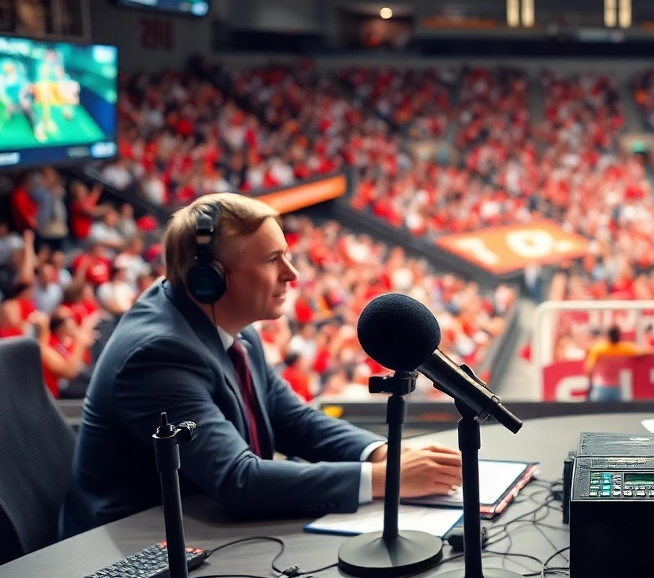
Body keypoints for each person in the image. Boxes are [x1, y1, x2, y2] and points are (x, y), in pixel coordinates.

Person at [61, 193, 463, 537]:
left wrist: (382, 453)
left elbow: (294, 421)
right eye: (274, 260)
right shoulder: (156, 356)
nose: (292, 274)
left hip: (201, 526)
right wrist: (385, 480)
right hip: (132, 554)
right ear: (211, 279)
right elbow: (238, 479)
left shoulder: (232, 325)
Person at [584, 324, 638, 402]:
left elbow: (589, 368)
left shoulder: (599, 349)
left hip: (601, 386)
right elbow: (642, 351)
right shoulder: (624, 349)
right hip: (616, 387)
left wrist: (590, 383)